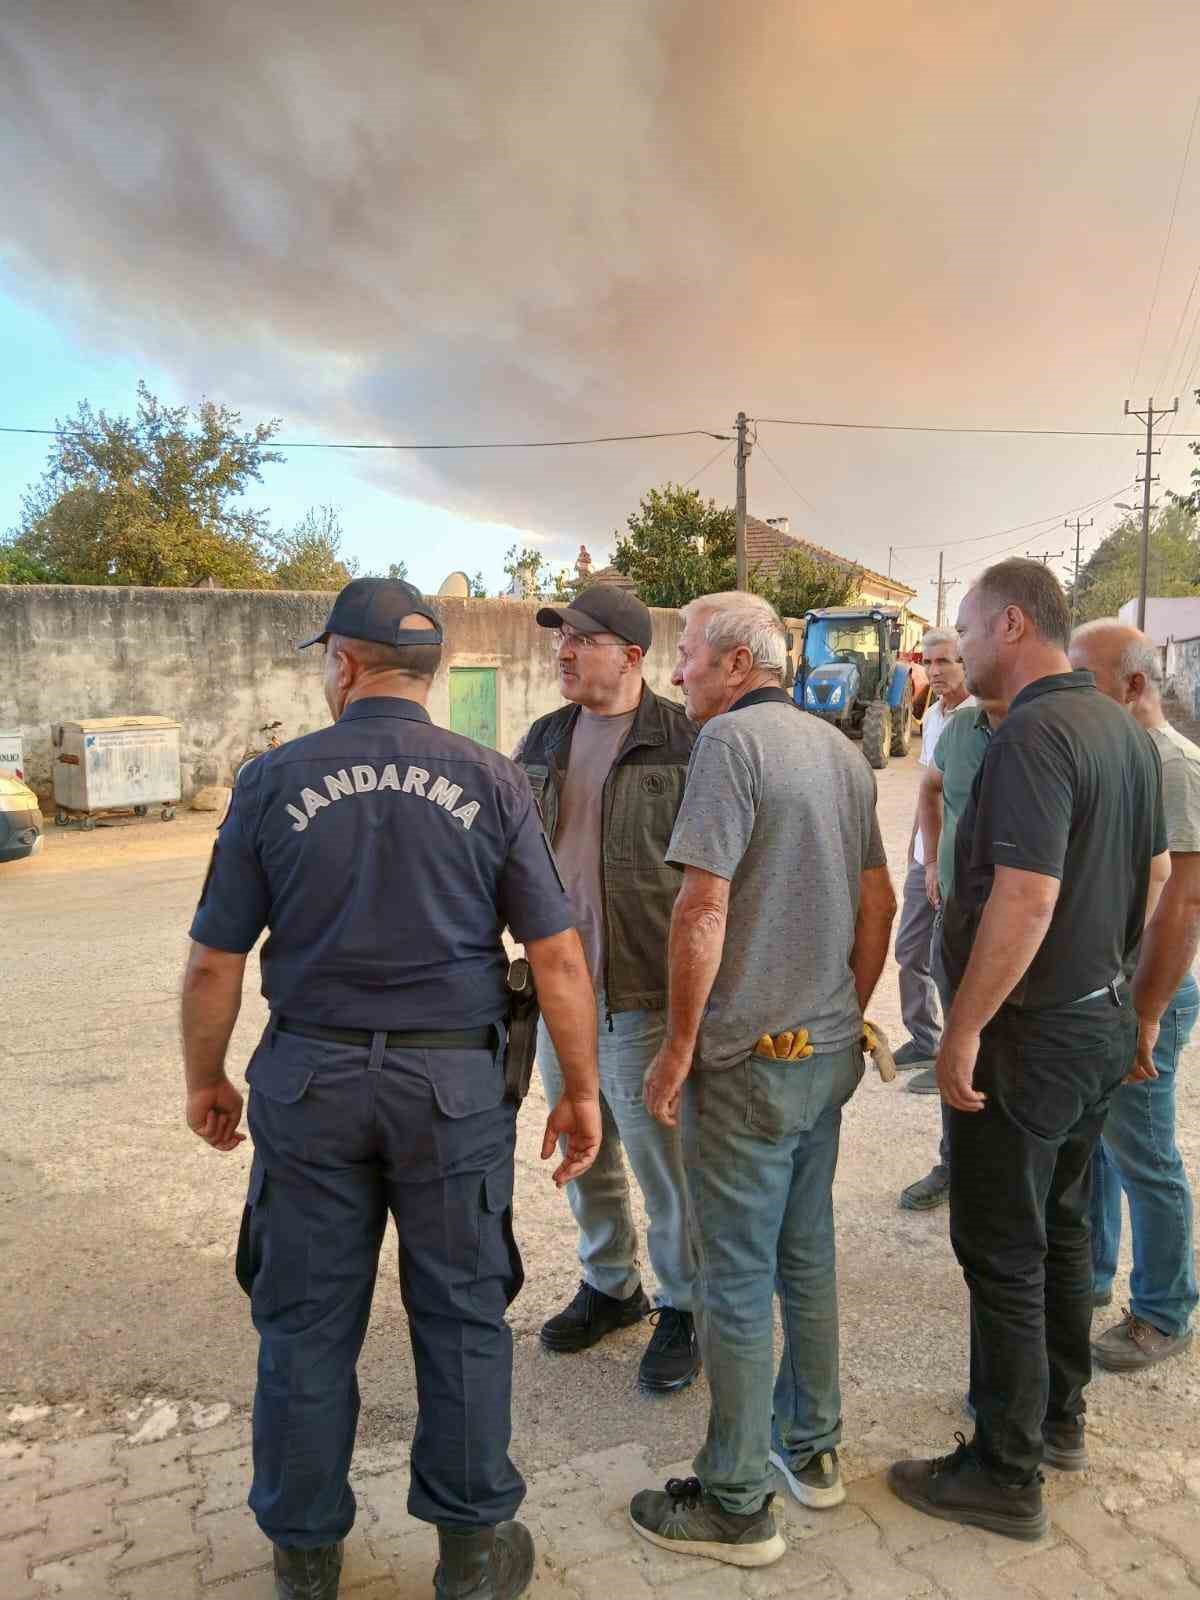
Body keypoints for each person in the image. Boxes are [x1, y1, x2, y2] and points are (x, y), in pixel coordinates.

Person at [180, 577, 602, 1600]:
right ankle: (470, 1556)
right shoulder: (492, 780)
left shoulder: (274, 778)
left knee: (305, 1319)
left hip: (310, 1079)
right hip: (451, 1085)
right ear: (428, 671)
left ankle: (307, 1558)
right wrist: (580, 1090)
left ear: (344, 662)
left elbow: (213, 963)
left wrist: (208, 1077)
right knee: (459, 1318)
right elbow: (554, 954)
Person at [888, 560, 1169, 1544]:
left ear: (1010, 622)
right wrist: (1126, 1001)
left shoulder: (1033, 736)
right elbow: (1154, 873)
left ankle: (1004, 1472)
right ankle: (1057, 1417)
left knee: (1002, 1250)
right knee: (1058, 1230)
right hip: (1091, 1023)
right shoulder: (1123, 733)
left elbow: (1028, 894)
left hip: (1033, 1038)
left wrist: (962, 1027)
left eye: (964, 629)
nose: (956, 651)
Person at [628, 591, 896, 1570]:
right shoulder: (839, 751)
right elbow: (880, 903)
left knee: (735, 1279)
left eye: (689, 653)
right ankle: (812, 1448)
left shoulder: (729, 750)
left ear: (737, 662)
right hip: (823, 1059)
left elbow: (702, 909)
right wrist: (839, 1014)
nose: (678, 671)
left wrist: (678, 1047)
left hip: (746, 1066)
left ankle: (737, 1502)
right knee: (805, 1256)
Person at [514, 586, 701, 1392]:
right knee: (583, 1153)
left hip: (645, 990)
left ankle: (686, 1303)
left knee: (665, 1166)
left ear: (631, 655)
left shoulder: (685, 741)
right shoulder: (543, 739)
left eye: (581, 640)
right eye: (560, 639)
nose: (563, 652)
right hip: (565, 991)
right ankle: (610, 1285)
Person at [1069, 620, 1200, 1370]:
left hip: (1146, 994)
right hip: (1108, 992)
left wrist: (1145, 1014)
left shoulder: (1172, 768)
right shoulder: (1120, 757)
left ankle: (1164, 1310)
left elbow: (1181, 905)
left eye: (1086, 679)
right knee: (1104, 1149)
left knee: (1144, 1155)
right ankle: (1089, 1275)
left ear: (1135, 686)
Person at [898, 693, 1003, 1210]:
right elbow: (932, 786)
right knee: (959, 1051)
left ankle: (1001, 1180)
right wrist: (935, 862)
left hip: (1028, 932)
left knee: (1010, 1055)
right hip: (960, 921)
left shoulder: (1050, 729)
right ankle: (954, 1164)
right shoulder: (961, 729)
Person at [893, 629, 971, 1083]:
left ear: (966, 663)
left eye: (947, 661)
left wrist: (940, 863)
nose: (936, 671)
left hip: (953, 866)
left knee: (949, 961)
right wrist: (917, 851)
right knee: (910, 951)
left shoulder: (977, 718)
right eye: (930, 661)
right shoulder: (935, 715)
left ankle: (955, 1060)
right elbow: (930, 791)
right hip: (926, 860)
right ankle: (924, 1040)